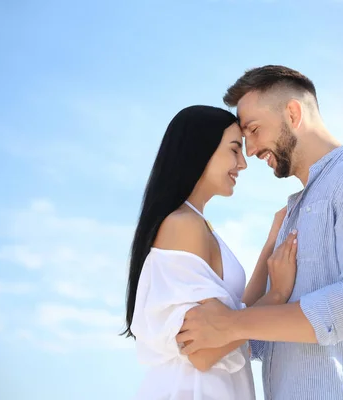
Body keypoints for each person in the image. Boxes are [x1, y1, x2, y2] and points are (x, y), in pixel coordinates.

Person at [175, 66, 343, 399]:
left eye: (254, 130)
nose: (252, 150)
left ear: (293, 112)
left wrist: (231, 323)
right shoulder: (292, 214)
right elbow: (267, 340)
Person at [122, 105, 298, 400]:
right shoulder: (183, 225)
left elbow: (234, 315)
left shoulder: (197, 224)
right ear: (199, 152)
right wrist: (277, 295)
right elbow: (202, 352)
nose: (242, 163)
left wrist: (271, 243)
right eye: (233, 150)